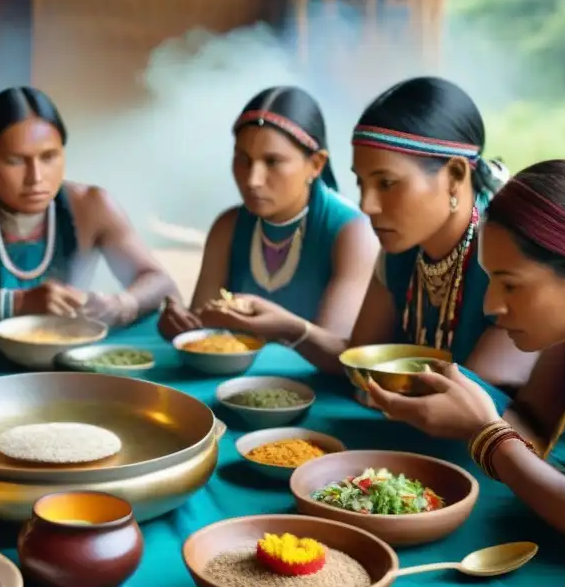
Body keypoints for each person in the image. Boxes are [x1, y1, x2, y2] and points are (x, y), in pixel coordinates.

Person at [200, 77, 536, 388]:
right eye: (361, 183)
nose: (367, 205)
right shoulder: (401, 250)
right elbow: (359, 356)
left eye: (386, 183)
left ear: (455, 175)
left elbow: (480, 400)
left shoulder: (511, 256)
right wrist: (288, 327)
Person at [367, 160, 565, 539]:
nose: (491, 305)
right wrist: (462, 410)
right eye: (491, 279)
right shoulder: (563, 343)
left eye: (511, 285)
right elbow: (535, 437)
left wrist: (486, 431)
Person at [0, 86, 178, 325]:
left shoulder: (92, 205)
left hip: (69, 357)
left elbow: (160, 281)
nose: (36, 178)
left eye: (49, 157)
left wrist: (123, 304)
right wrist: (20, 303)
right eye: (15, 161)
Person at [158, 86, 378, 347]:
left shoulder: (351, 233)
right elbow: (205, 334)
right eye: (243, 159)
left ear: (316, 164)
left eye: (272, 162)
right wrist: (180, 326)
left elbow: (336, 352)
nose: (253, 180)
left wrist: (284, 328)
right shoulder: (228, 227)